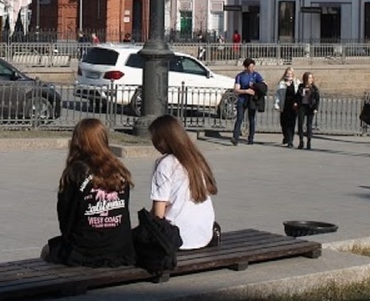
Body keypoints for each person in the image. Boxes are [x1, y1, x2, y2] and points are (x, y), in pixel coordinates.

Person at [41, 118, 135, 267]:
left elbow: (66, 216)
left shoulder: (75, 172)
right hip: (119, 250)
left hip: (85, 251)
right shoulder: (119, 171)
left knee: (47, 250)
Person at [148, 115, 219, 250]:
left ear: (162, 140)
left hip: (178, 238)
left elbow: (158, 214)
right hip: (204, 235)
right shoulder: (196, 159)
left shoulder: (166, 164)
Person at [231, 58, 266, 146]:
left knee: (251, 119)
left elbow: (263, 85)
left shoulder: (256, 75)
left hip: (252, 100)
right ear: (246, 67)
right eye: (250, 67)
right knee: (239, 118)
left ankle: (251, 138)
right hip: (242, 99)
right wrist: (246, 91)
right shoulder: (240, 76)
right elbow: (236, 89)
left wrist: (255, 86)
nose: (252, 68)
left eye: (253, 66)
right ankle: (235, 137)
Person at [274, 67, 299, 147]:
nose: (288, 75)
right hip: (284, 105)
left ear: (293, 74)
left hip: (293, 106)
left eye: (290, 73)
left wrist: (297, 103)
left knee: (291, 123)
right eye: (287, 73)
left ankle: (290, 140)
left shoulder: (297, 83)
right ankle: (286, 136)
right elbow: (277, 94)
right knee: (283, 123)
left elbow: (299, 94)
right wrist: (276, 104)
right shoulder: (281, 83)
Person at [296, 72, 320, 150]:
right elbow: (297, 96)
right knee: (300, 124)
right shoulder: (301, 86)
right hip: (302, 106)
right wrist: (296, 102)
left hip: (310, 107)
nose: (309, 80)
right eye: (307, 78)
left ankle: (309, 142)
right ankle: (301, 141)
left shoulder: (314, 88)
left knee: (309, 125)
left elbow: (317, 99)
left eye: (310, 78)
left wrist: (316, 108)